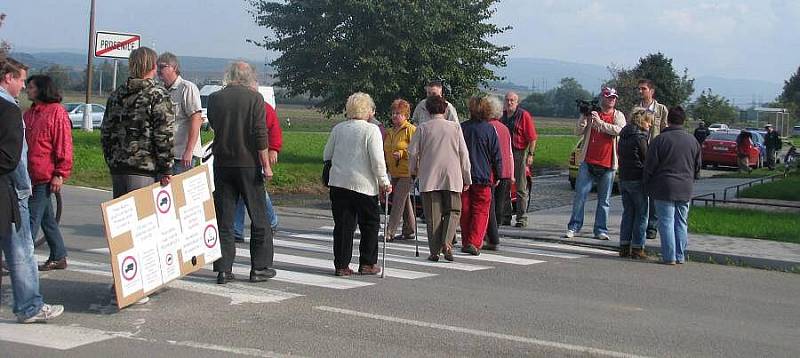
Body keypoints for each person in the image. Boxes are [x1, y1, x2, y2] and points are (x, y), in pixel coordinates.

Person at [102, 47, 175, 304]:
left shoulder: (117, 94)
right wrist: (166, 168)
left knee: (123, 231)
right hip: (144, 168)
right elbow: (163, 135)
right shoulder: (156, 94)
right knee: (143, 229)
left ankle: (120, 282)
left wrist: (112, 160)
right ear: (151, 66)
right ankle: (135, 286)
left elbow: (106, 132)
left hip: (119, 167)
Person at [0, 56, 64, 323]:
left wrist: (58, 171)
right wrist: (24, 188)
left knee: (40, 227)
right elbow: (12, 157)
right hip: (14, 189)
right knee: (21, 249)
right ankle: (29, 306)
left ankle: (59, 254)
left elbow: (61, 143)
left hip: (36, 178)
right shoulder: (10, 109)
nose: (24, 87)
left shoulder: (49, 111)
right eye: (22, 81)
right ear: (8, 78)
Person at [207, 61, 274, 284]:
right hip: (248, 163)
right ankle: (260, 267)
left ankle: (223, 269)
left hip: (223, 162)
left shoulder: (216, 98)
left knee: (224, 218)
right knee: (259, 216)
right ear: (249, 77)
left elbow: (214, 125)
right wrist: (266, 165)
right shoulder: (255, 99)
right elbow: (260, 134)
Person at [323, 92, 391, 275]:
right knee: (370, 223)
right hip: (364, 185)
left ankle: (341, 265)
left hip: (338, 183)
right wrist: (384, 182)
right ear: (368, 110)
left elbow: (327, 155)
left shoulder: (338, 128)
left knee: (343, 226)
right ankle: (367, 263)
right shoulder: (371, 130)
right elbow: (378, 161)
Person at [409, 95, 471, 262]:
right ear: (445, 109)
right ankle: (447, 242)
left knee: (432, 215)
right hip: (452, 176)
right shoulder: (455, 128)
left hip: (429, 177)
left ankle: (434, 251)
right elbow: (463, 154)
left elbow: (413, 152)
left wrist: (413, 170)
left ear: (428, 111)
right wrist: (467, 177)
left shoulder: (422, 128)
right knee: (454, 210)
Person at [23, 75, 73, 271]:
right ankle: (59, 255)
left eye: (32, 87)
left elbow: (64, 144)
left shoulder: (56, 113)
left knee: (31, 221)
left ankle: (20, 260)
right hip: (30, 175)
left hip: (45, 175)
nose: (27, 90)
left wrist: (60, 173)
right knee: (46, 218)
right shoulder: (29, 114)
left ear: (42, 89)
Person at [565, 87, 626, 240]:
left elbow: (619, 130)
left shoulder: (618, 115)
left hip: (608, 163)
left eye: (613, 97)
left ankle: (600, 229)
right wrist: (584, 117)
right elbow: (577, 132)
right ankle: (574, 226)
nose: (611, 99)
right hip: (588, 161)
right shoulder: (593, 114)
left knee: (604, 200)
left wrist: (600, 123)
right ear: (602, 98)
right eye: (608, 97)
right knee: (580, 195)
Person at [643, 106, 701, 265]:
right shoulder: (693, 141)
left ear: (668, 121)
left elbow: (650, 166)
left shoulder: (659, 140)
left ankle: (669, 257)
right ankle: (680, 255)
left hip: (664, 187)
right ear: (684, 121)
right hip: (685, 187)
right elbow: (697, 167)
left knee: (666, 222)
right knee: (681, 222)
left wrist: (647, 184)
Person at [233, 88, 282, 242]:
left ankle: (271, 221)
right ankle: (236, 229)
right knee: (241, 193)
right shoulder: (238, 107)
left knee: (258, 192)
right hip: (242, 156)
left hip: (258, 156)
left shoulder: (264, 107)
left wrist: (273, 149)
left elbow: (274, 130)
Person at [460, 95, 502, 255]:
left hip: (464, 176)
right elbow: (496, 155)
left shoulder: (462, 128)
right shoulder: (490, 129)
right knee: (481, 210)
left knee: (465, 210)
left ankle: (466, 240)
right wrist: (498, 175)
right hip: (483, 175)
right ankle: (474, 241)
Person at [156, 52, 203, 174]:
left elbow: (196, 119)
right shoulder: (159, 91)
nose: (159, 70)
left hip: (182, 155)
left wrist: (189, 150)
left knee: (179, 192)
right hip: (165, 155)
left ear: (174, 68)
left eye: (163, 67)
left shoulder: (187, 88)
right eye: (157, 67)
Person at [635, 79, 668, 241]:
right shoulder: (636, 110)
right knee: (640, 193)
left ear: (651, 91)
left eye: (644, 89)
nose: (641, 91)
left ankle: (652, 226)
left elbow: (665, 132)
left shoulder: (661, 110)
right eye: (639, 89)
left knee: (653, 195)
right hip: (639, 155)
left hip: (655, 156)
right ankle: (640, 224)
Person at [617, 108, 652, 259]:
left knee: (628, 213)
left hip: (624, 178)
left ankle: (624, 246)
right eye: (649, 122)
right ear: (641, 121)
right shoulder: (640, 137)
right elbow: (647, 159)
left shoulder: (623, 135)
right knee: (642, 214)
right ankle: (638, 248)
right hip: (637, 179)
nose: (649, 125)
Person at [500, 91, 537, 228]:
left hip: (519, 153)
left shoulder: (523, 115)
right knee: (504, 187)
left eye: (512, 100)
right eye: (507, 100)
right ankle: (505, 216)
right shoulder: (502, 116)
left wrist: (530, 154)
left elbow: (532, 137)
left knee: (521, 187)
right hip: (504, 153)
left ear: (517, 102)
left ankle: (522, 218)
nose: (509, 103)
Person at [383, 99, 416, 241]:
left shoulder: (411, 129)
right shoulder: (390, 131)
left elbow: (416, 149)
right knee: (404, 199)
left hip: (407, 171)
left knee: (398, 200)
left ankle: (389, 232)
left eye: (399, 113)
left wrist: (402, 153)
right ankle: (409, 229)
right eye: (394, 113)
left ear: (406, 115)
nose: (395, 116)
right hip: (394, 171)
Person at [484, 95, 514, 250]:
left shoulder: (487, 127)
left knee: (489, 205)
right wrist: (512, 173)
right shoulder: (504, 128)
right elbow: (509, 152)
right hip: (506, 171)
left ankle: (491, 236)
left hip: (492, 171)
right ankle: (494, 234)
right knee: (499, 205)